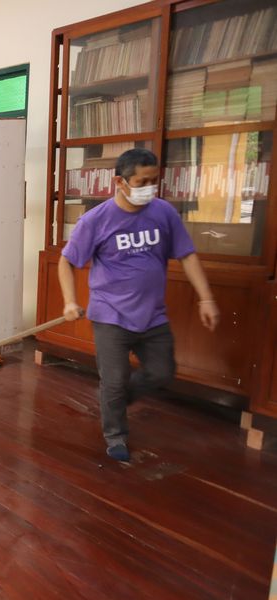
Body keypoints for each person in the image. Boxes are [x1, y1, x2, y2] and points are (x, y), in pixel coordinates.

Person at [58, 148, 219, 463]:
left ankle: (115, 399)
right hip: (110, 315)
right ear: (120, 182)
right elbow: (67, 262)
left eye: (153, 181)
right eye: (141, 182)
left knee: (162, 372)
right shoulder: (96, 220)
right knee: (114, 381)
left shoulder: (163, 213)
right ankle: (115, 435)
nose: (149, 188)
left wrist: (207, 298)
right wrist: (69, 301)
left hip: (153, 315)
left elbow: (187, 255)